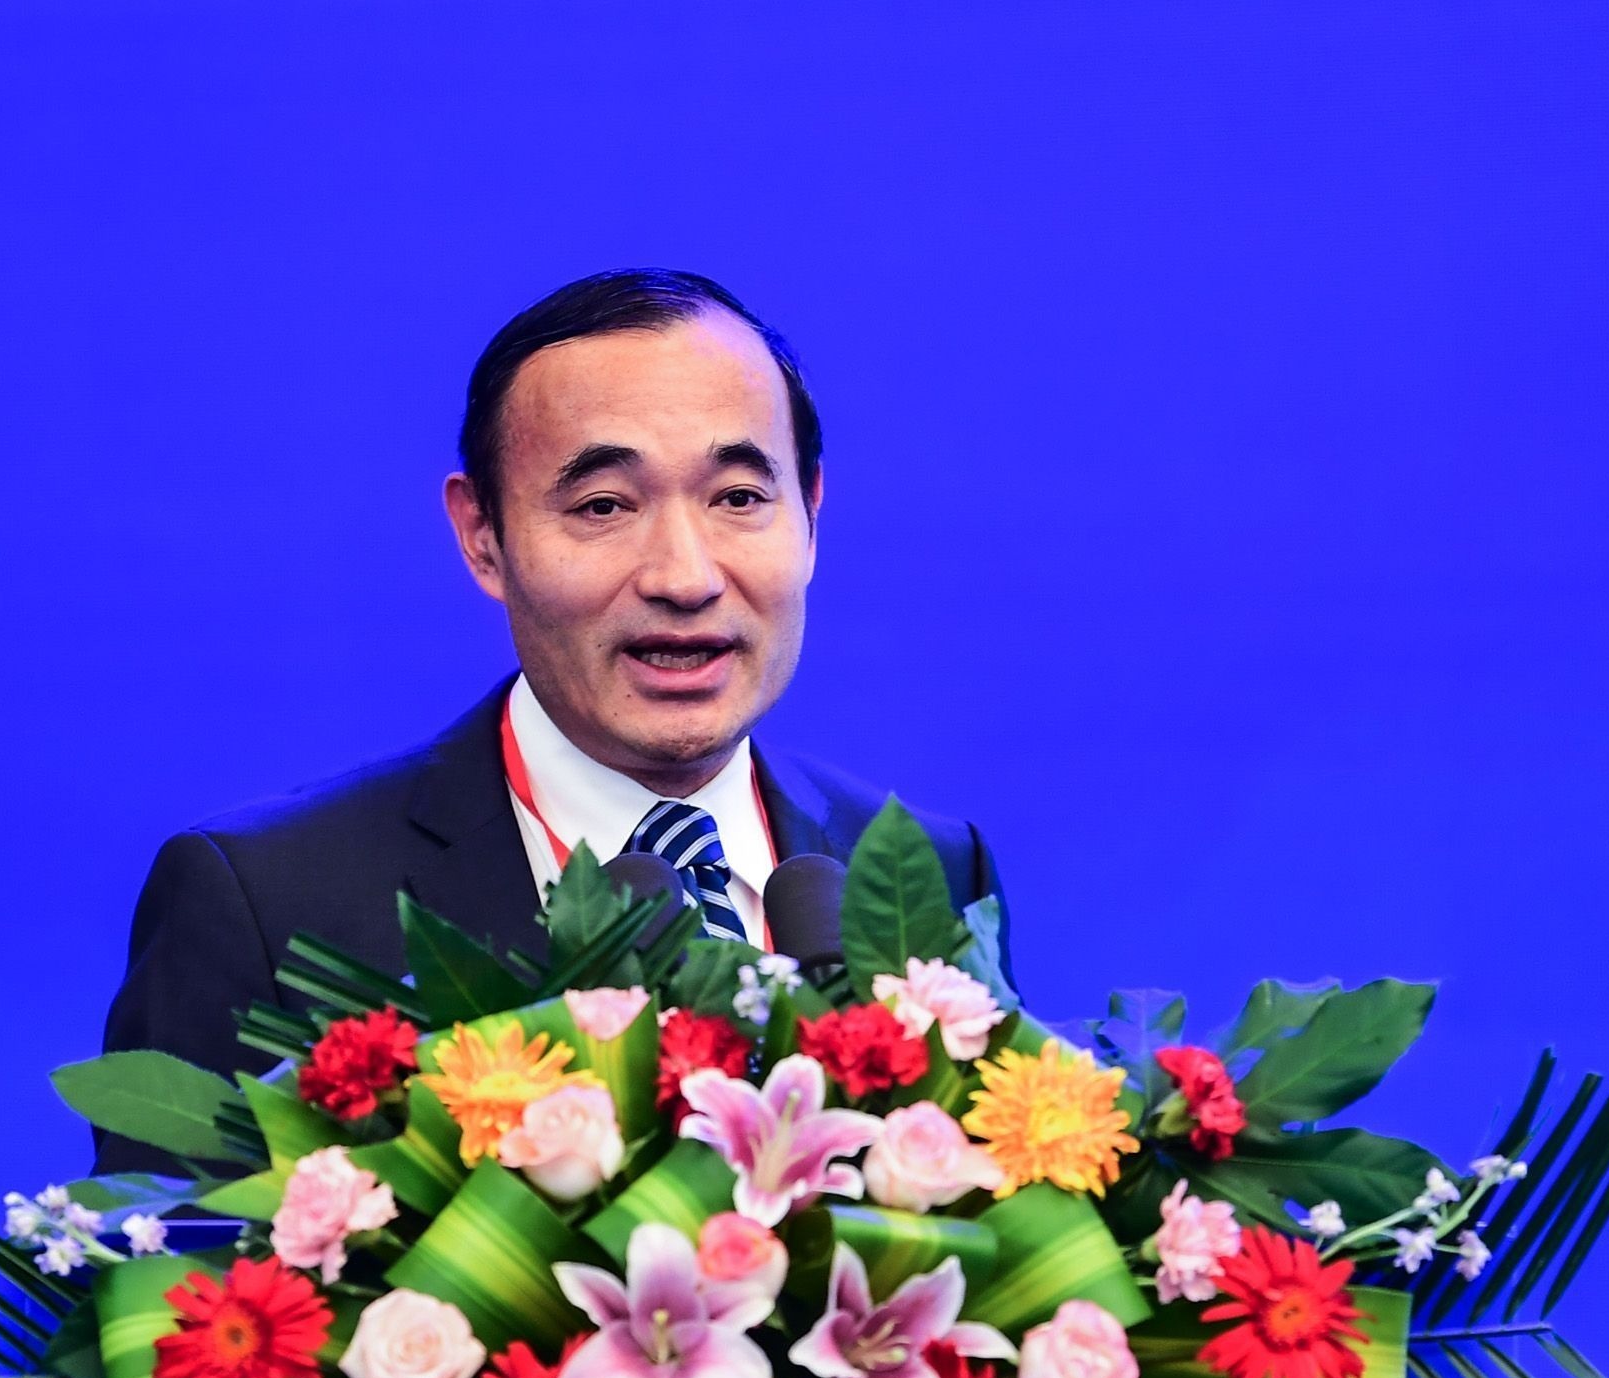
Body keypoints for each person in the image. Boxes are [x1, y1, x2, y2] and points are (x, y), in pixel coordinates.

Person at [95, 269, 1008, 1171]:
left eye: (738, 498)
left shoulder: (929, 869)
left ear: (810, 512)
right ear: (482, 537)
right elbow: (174, 1259)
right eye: (603, 506)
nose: (685, 577)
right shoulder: (266, 906)